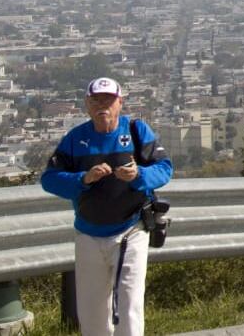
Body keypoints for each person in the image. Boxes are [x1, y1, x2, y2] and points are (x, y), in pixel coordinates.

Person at [41, 77, 173, 336]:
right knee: (92, 311)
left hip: (130, 229)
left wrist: (138, 177)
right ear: (87, 105)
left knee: (128, 303)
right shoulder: (75, 139)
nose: (103, 106)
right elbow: (49, 179)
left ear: (120, 103)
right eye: (96, 100)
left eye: (108, 100)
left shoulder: (136, 131)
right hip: (89, 232)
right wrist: (84, 178)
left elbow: (165, 169)